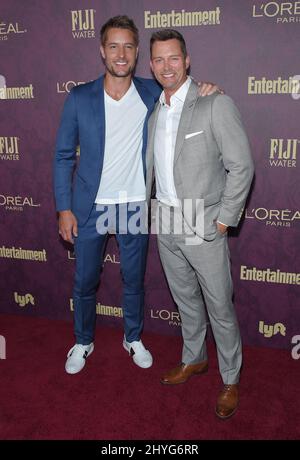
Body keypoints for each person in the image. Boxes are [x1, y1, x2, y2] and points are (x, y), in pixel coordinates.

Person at [54, 16, 220, 375]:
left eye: (128, 46)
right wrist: (63, 208)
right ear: (102, 51)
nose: (121, 53)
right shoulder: (80, 97)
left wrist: (208, 89)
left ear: (137, 52)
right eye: (113, 46)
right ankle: (83, 341)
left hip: (133, 206)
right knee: (84, 281)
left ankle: (133, 337)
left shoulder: (151, 92)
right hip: (90, 208)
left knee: (133, 279)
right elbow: (63, 155)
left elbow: (185, 92)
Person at [146, 29, 254, 419]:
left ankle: (230, 377)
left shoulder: (213, 102)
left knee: (219, 304)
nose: (166, 66)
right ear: (151, 64)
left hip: (203, 219)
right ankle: (194, 358)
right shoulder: (154, 109)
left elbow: (241, 166)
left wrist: (225, 218)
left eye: (173, 58)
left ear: (187, 60)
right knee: (185, 300)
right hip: (166, 218)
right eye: (158, 59)